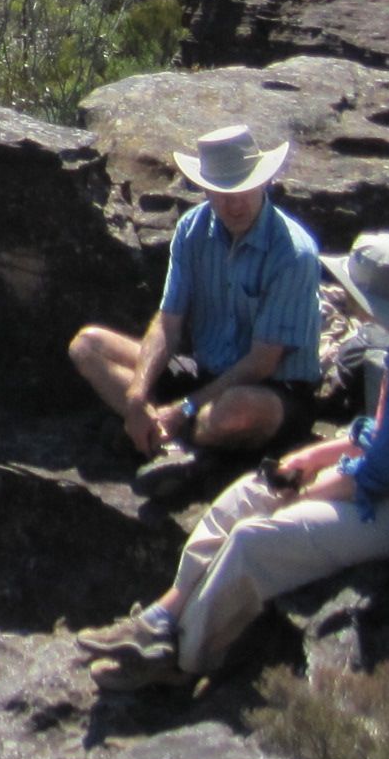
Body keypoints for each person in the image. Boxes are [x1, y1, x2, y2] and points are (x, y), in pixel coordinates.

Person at [80, 230, 389, 690]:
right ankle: (162, 617)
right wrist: (312, 457)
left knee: (254, 540)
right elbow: (384, 436)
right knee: (248, 494)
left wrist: (302, 492)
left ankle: (183, 660)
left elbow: (379, 477)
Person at [66, 122, 325, 499]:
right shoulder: (192, 230)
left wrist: (184, 408)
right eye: (220, 192)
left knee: (231, 412)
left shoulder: (293, 253)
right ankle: (159, 430)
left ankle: (167, 437)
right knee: (87, 347)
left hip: (272, 388)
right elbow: (168, 323)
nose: (233, 203)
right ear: (205, 188)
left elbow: (262, 362)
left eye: (242, 190)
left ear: (263, 183)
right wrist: (138, 396)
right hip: (203, 370)